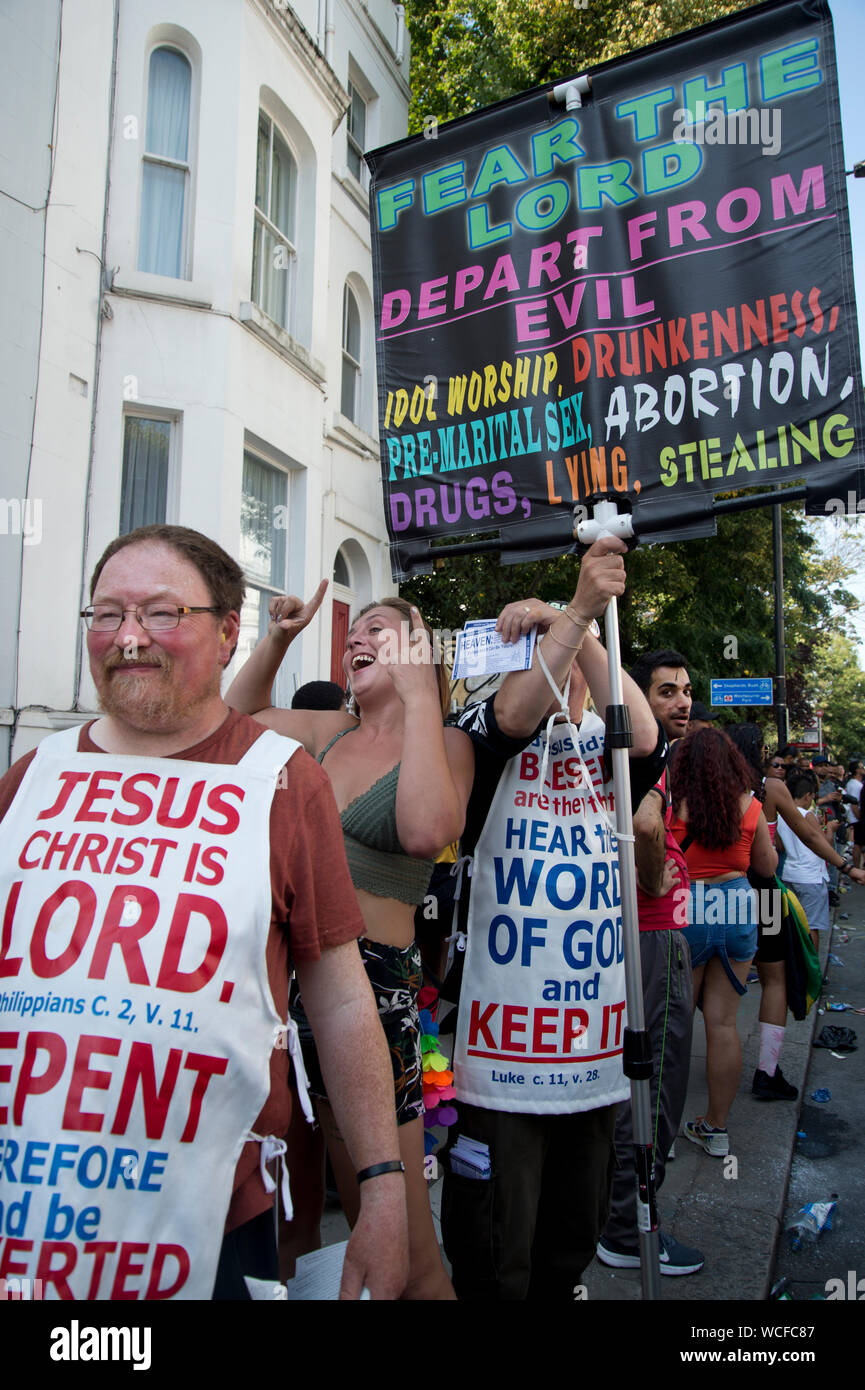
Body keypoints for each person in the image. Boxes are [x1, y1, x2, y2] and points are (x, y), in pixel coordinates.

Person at [0, 525, 408, 1300]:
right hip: (30, 1204)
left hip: (210, 1222)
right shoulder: (34, 777)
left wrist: (382, 1188)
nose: (128, 639)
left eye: (160, 614)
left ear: (227, 633)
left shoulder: (282, 782)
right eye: (106, 614)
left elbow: (341, 994)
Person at [226, 586, 473, 1299]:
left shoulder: (445, 743)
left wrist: (421, 690)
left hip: (366, 997)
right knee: (284, 1223)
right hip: (278, 987)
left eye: (379, 631)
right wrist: (276, 639)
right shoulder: (326, 729)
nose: (355, 640)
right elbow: (233, 719)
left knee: (397, 1240)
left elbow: (428, 831)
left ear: (419, 652)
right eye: (351, 633)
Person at [440, 536, 667, 1300]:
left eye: (568, 659)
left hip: (593, 1043)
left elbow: (641, 735)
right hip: (504, 1050)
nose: (562, 668)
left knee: (569, 1232)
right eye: (549, 656)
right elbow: (510, 717)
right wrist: (567, 613)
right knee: (497, 1237)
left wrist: (587, 629)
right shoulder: (480, 734)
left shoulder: (605, 751)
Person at [596, 648, 702, 1277]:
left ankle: (623, 1216)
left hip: (640, 938)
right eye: (666, 692)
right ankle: (630, 1227)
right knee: (656, 1081)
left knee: (639, 1082)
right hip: (649, 937)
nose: (681, 702)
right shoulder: (646, 758)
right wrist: (654, 880)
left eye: (685, 690)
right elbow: (643, 824)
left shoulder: (652, 756)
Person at [728, 724, 864, 1101]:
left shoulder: (706, 786)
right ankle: (766, 1071)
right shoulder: (770, 789)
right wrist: (847, 867)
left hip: (719, 893)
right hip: (767, 893)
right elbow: (808, 834)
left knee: (715, 988)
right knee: (775, 979)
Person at [671, 728, 777, 1156]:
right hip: (736, 906)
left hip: (686, 907)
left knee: (675, 1029)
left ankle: (667, 1131)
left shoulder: (673, 805)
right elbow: (766, 868)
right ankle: (716, 1129)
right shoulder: (750, 804)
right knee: (723, 1025)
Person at [778, 771, 834, 951]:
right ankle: (811, 972)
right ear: (808, 795)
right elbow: (824, 844)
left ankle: (795, 968)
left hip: (790, 875)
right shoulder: (806, 815)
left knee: (793, 925)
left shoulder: (779, 816)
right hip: (811, 877)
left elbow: (780, 846)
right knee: (810, 927)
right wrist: (831, 829)